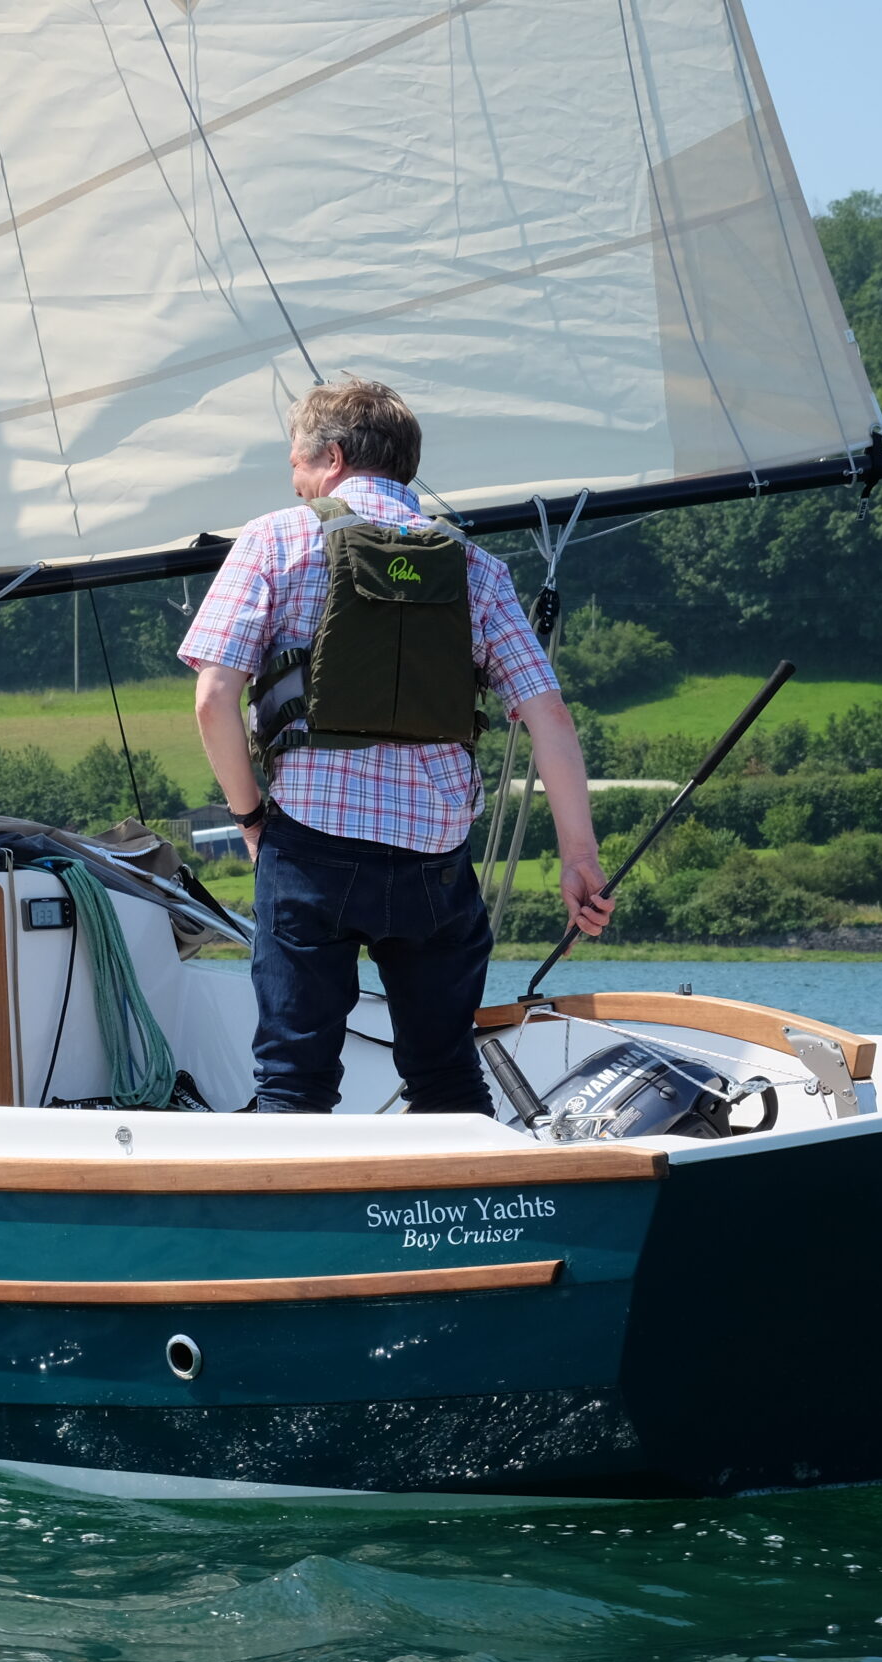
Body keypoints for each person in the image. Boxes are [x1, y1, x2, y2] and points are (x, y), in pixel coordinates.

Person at [179, 379, 614, 1116]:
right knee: (446, 1074)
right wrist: (579, 858)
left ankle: (298, 1226)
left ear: (334, 457)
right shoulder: (475, 567)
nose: (296, 479)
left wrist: (252, 819)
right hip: (433, 866)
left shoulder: (275, 539)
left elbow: (214, 698)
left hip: (310, 847)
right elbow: (550, 719)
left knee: (294, 1079)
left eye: (298, 464)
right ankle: (456, 1218)